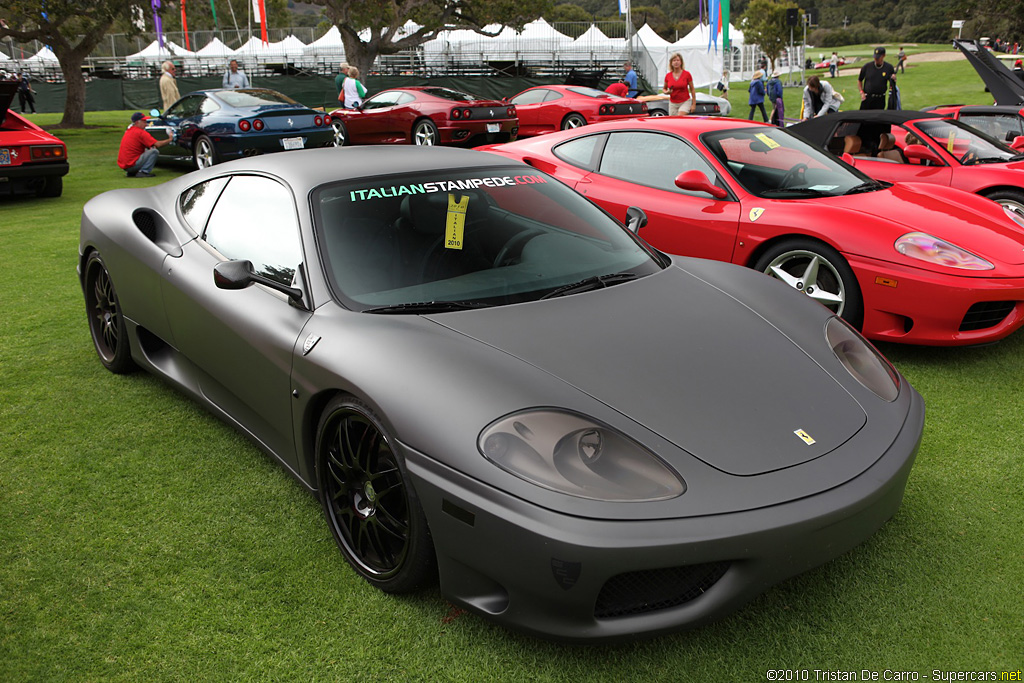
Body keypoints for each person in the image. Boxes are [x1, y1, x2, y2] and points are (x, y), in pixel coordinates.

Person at [117, 112, 172, 178]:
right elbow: (157, 144)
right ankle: (143, 171)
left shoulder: (129, 131)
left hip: (126, 166)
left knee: (147, 150)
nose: (146, 124)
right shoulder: (140, 132)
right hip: (132, 165)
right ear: (137, 122)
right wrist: (170, 139)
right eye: (144, 121)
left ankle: (132, 172)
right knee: (154, 151)